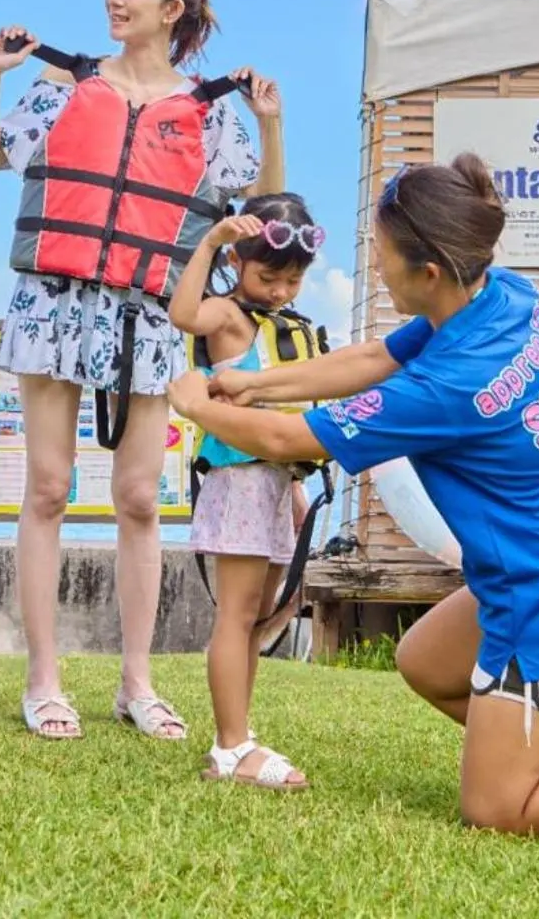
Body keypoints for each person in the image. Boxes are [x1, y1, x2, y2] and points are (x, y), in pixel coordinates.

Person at [171, 156, 539, 852]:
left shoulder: (450, 387)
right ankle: (536, 762)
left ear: (429, 273)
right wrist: (254, 384)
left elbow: (289, 440)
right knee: (425, 662)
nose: (376, 270)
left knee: (496, 810)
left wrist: (198, 400)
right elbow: (377, 358)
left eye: (383, 258)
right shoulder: (506, 296)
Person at [0, 0, 282, 742]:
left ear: (173, 9)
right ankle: (43, 681)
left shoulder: (209, 112)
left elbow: (265, 208)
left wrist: (270, 123)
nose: (115, 0)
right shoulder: (63, 83)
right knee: (45, 488)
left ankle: (135, 683)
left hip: (146, 313)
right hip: (53, 299)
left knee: (140, 499)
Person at [166, 194, 329, 791]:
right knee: (236, 616)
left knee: (261, 613)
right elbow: (184, 315)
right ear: (237, 262)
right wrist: (208, 243)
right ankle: (232, 745)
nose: (281, 291)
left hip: (276, 480)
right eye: (268, 276)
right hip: (239, 481)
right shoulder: (230, 317)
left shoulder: (281, 324)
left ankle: (237, 737)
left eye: (292, 280)